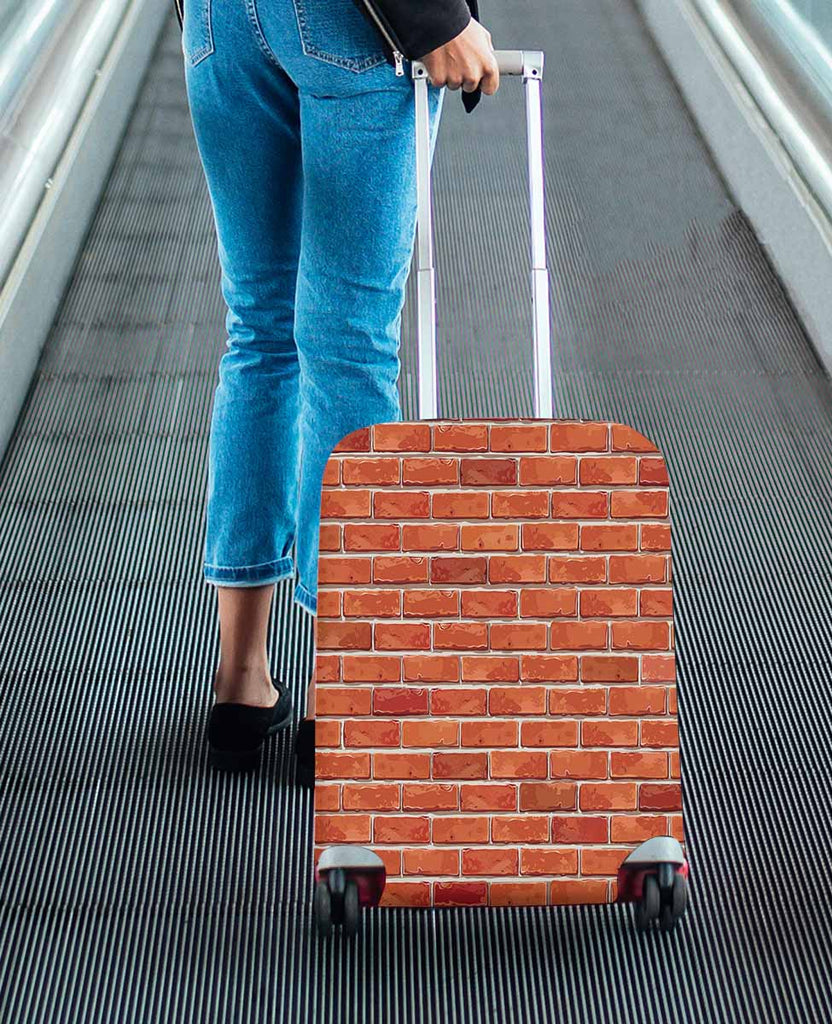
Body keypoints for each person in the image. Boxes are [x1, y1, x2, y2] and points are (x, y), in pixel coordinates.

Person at [181, 0, 499, 775]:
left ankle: (240, 682)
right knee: (348, 348)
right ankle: (339, 696)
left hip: (219, 24)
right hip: (350, 27)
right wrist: (436, 18)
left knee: (259, 333)